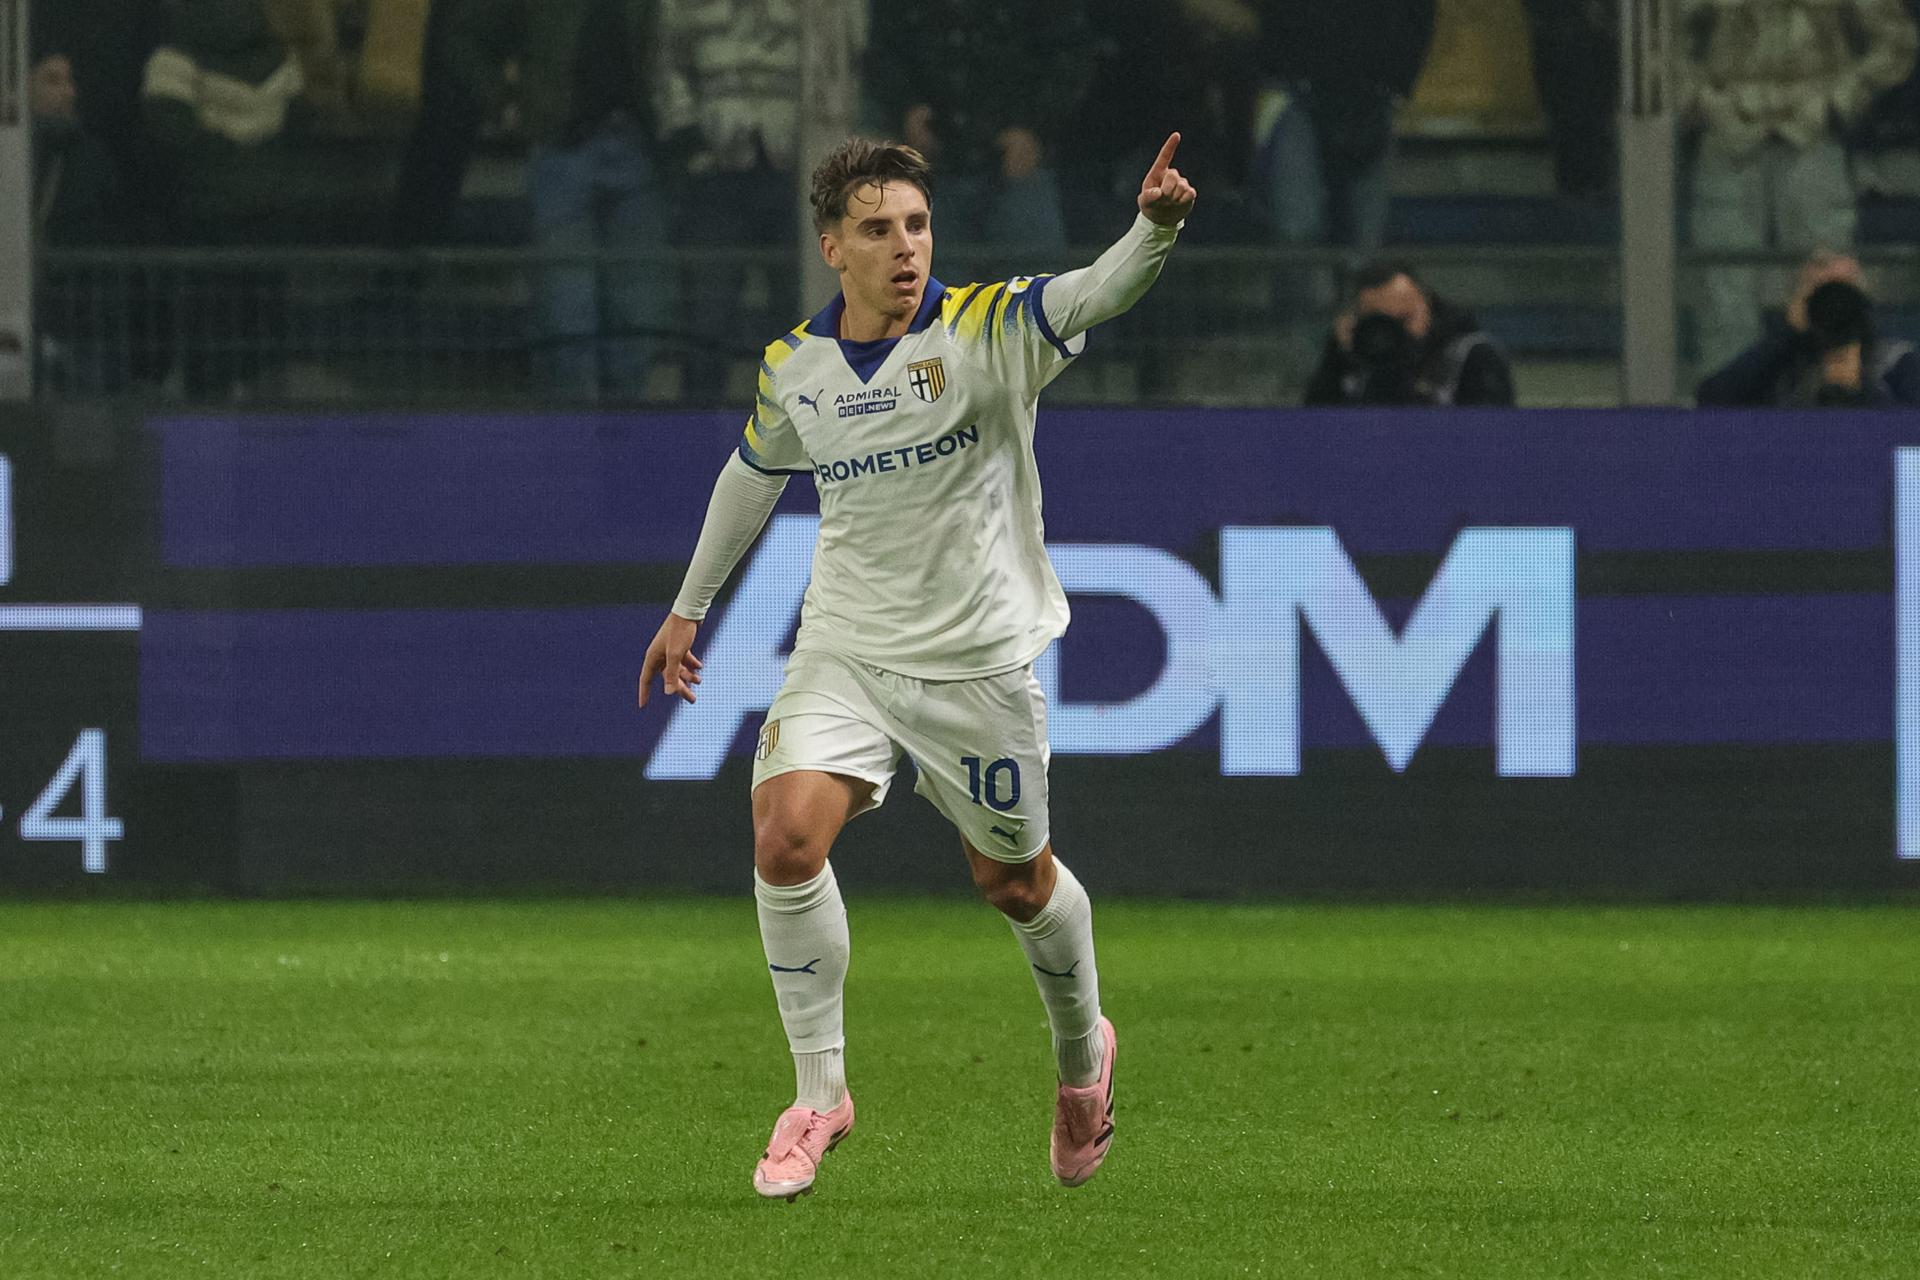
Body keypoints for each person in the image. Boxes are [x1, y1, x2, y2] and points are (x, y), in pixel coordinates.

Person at [638, 134, 1197, 1198]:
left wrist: (1155, 227)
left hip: (975, 664)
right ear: (832, 247)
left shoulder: (989, 328)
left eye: (918, 225)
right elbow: (751, 477)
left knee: (1014, 882)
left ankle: (1084, 1062)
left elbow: (1096, 292)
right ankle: (820, 1095)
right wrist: (687, 606)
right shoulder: (795, 367)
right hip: (846, 647)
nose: (906, 247)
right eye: (880, 229)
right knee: (785, 834)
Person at [1680, 0, 1917, 373]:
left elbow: (1896, 39)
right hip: (1728, 132)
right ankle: (1724, 411)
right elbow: (1658, 36)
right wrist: (1701, 99)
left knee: (1829, 283)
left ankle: (1832, 399)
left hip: (1812, 134)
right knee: (1722, 287)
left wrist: (1840, 97)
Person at [865, 1, 1093, 257]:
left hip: (1018, 167)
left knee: (1031, 282)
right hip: (933, 164)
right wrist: (907, 110)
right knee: (929, 283)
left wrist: (1034, 130)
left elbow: (1070, 50)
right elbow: (883, 52)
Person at [1696, 253, 1920, 406]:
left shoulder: (1897, 361)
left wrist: (1862, 390)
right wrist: (1786, 334)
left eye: (1842, 293)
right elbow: (1712, 399)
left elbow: (1910, 438)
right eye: (1822, 294)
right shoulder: (1782, 358)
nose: (1834, 306)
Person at [1303, 259, 1515, 406]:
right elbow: (1314, 430)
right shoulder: (1354, 358)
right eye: (1381, 324)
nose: (1395, 333)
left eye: (1405, 318)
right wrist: (1336, 358)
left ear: (1427, 302)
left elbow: (1490, 437)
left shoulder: (1473, 356)